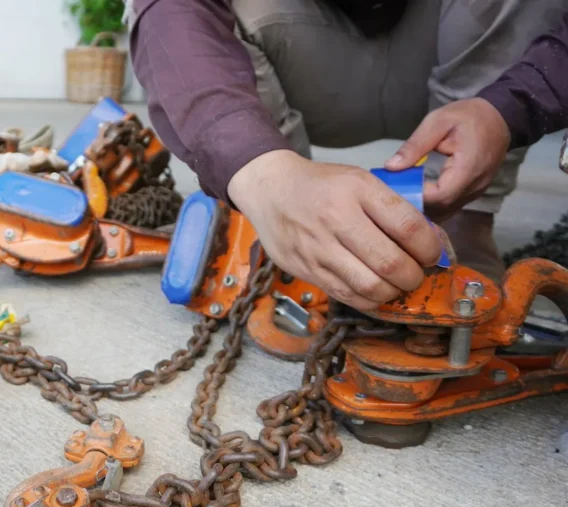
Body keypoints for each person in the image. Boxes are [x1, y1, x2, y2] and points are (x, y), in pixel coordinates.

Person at [127, 1, 568, 311]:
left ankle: (466, 219)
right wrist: (263, 173)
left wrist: (510, 106)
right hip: (305, 51)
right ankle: (296, 230)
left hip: (463, 52)